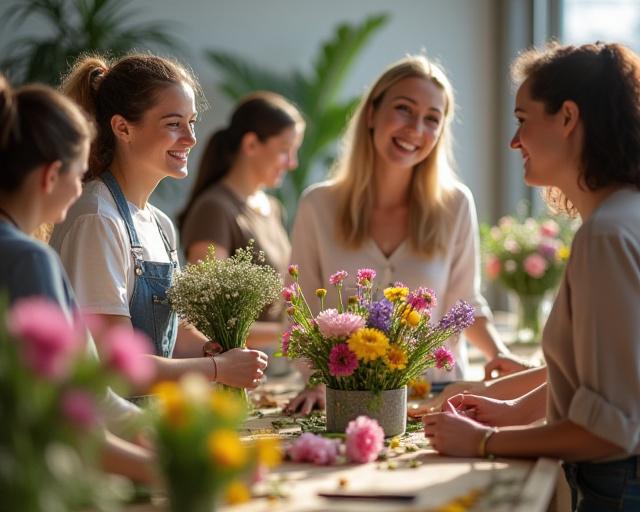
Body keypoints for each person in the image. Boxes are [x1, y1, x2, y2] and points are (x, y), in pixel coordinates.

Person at [423, 42, 640, 511]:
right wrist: (510, 409)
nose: (514, 141)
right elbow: (602, 378)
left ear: (567, 117)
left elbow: (609, 430)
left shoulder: (606, 236)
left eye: (523, 120)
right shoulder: (623, 217)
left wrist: (484, 441)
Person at [286, 54, 524, 415]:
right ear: (371, 114)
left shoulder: (455, 204)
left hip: (439, 397)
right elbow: (301, 309)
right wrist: (316, 381)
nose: (416, 129)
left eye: (432, 119)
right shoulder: (318, 205)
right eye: (403, 109)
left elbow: (466, 305)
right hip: (346, 394)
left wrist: (499, 355)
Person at [50, 54, 267, 391]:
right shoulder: (97, 219)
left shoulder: (160, 224)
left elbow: (177, 333)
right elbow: (113, 365)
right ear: (122, 128)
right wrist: (216, 368)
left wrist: (215, 350)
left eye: (191, 121)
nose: (191, 138)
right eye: (173, 123)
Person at [0, 74, 154, 484]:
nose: (81, 188)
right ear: (51, 176)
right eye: (79, 173)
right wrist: (174, 468)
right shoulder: (26, 259)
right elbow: (68, 416)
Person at [178, 92, 305, 349]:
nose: (292, 163)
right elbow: (208, 318)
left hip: (273, 370)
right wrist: (298, 333)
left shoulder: (273, 208)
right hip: (233, 373)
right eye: (284, 151)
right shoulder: (214, 209)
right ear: (251, 145)